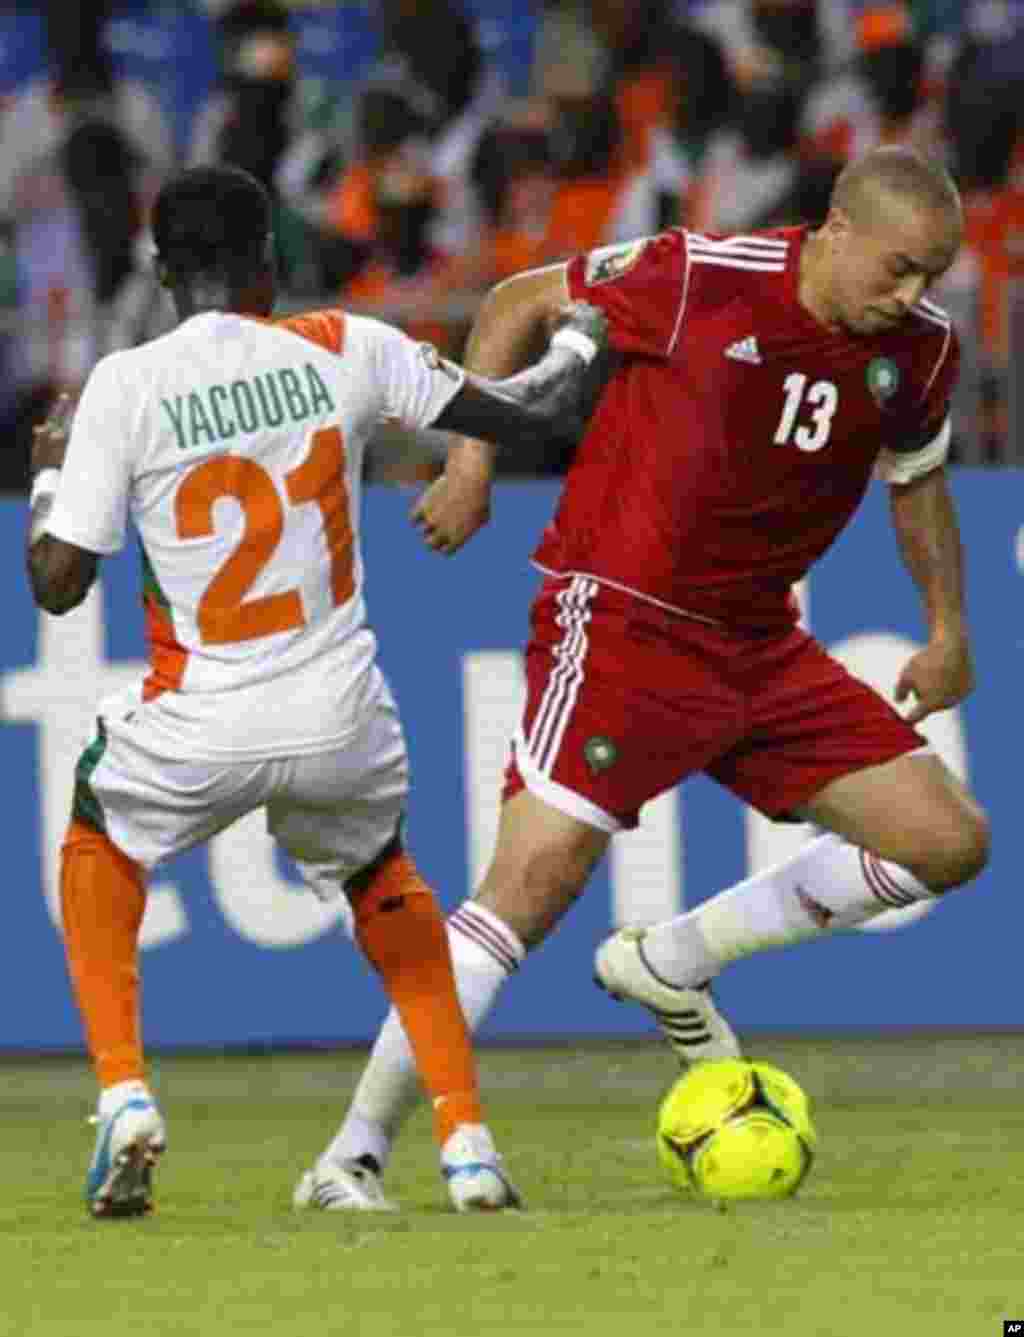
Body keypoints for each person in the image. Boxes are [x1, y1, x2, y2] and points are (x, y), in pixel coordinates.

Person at [311, 144, 991, 1210]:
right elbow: (516, 301)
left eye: (931, 276)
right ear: (837, 230)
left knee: (948, 839)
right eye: (898, 268)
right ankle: (349, 1154)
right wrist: (471, 460)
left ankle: (672, 959)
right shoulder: (698, 274)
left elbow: (917, 481)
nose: (911, 295)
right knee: (525, 892)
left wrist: (946, 626)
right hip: (623, 622)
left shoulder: (920, 349)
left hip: (759, 644)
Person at [25, 164, 607, 1219]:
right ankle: (466, 1141)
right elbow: (533, 411)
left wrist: (52, 473)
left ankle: (123, 1094)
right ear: (269, 260)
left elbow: (57, 584)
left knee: (96, 836)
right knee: (385, 879)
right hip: (336, 709)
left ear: (162, 273)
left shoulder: (124, 383)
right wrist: (576, 340)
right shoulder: (346, 345)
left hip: (199, 714)